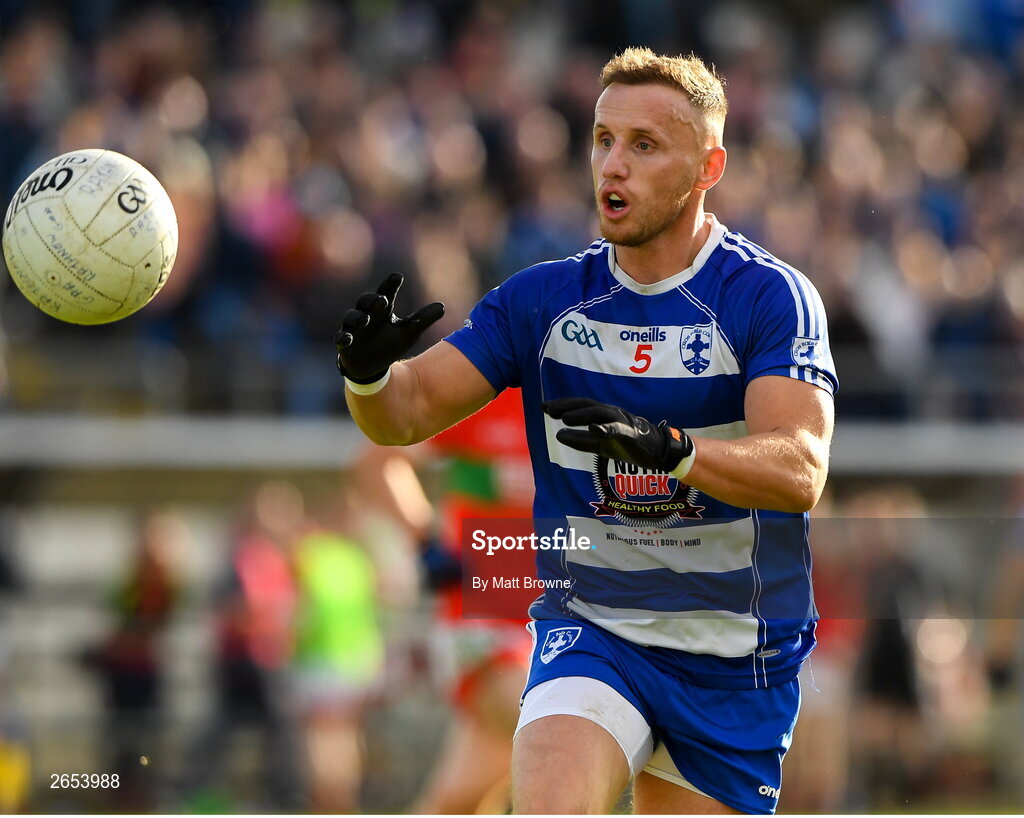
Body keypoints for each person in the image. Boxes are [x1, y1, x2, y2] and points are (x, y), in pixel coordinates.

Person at [336, 47, 836, 815]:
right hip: (594, 630)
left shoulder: (769, 298)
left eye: (644, 145)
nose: (614, 164)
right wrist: (368, 376)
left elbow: (799, 468)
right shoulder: (542, 302)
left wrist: (670, 451)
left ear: (708, 168)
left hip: (737, 659)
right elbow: (403, 414)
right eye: (603, 140)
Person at [353, 387, 534, 814]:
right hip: (483, 622)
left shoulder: (592, 397)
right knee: (562, 741)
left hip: (550, 625)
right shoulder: (484, 394)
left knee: (453, 804)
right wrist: (424, 541)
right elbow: (377, 460)